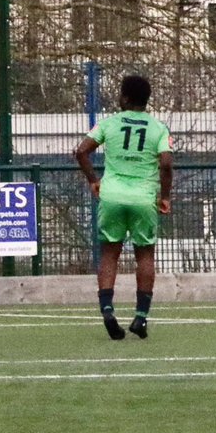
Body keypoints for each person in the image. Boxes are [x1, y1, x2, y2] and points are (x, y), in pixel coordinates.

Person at [74, 75, 172, 340]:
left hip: (112, 196)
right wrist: (165, 196)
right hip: (143, 198)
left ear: (126, 98)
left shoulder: (109, 123)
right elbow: (165, 163)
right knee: (145, 255)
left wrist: (94, 181)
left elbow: (81, 151)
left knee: (109, 253)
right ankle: (140, 318)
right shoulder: (158, 128)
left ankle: (107, 310)